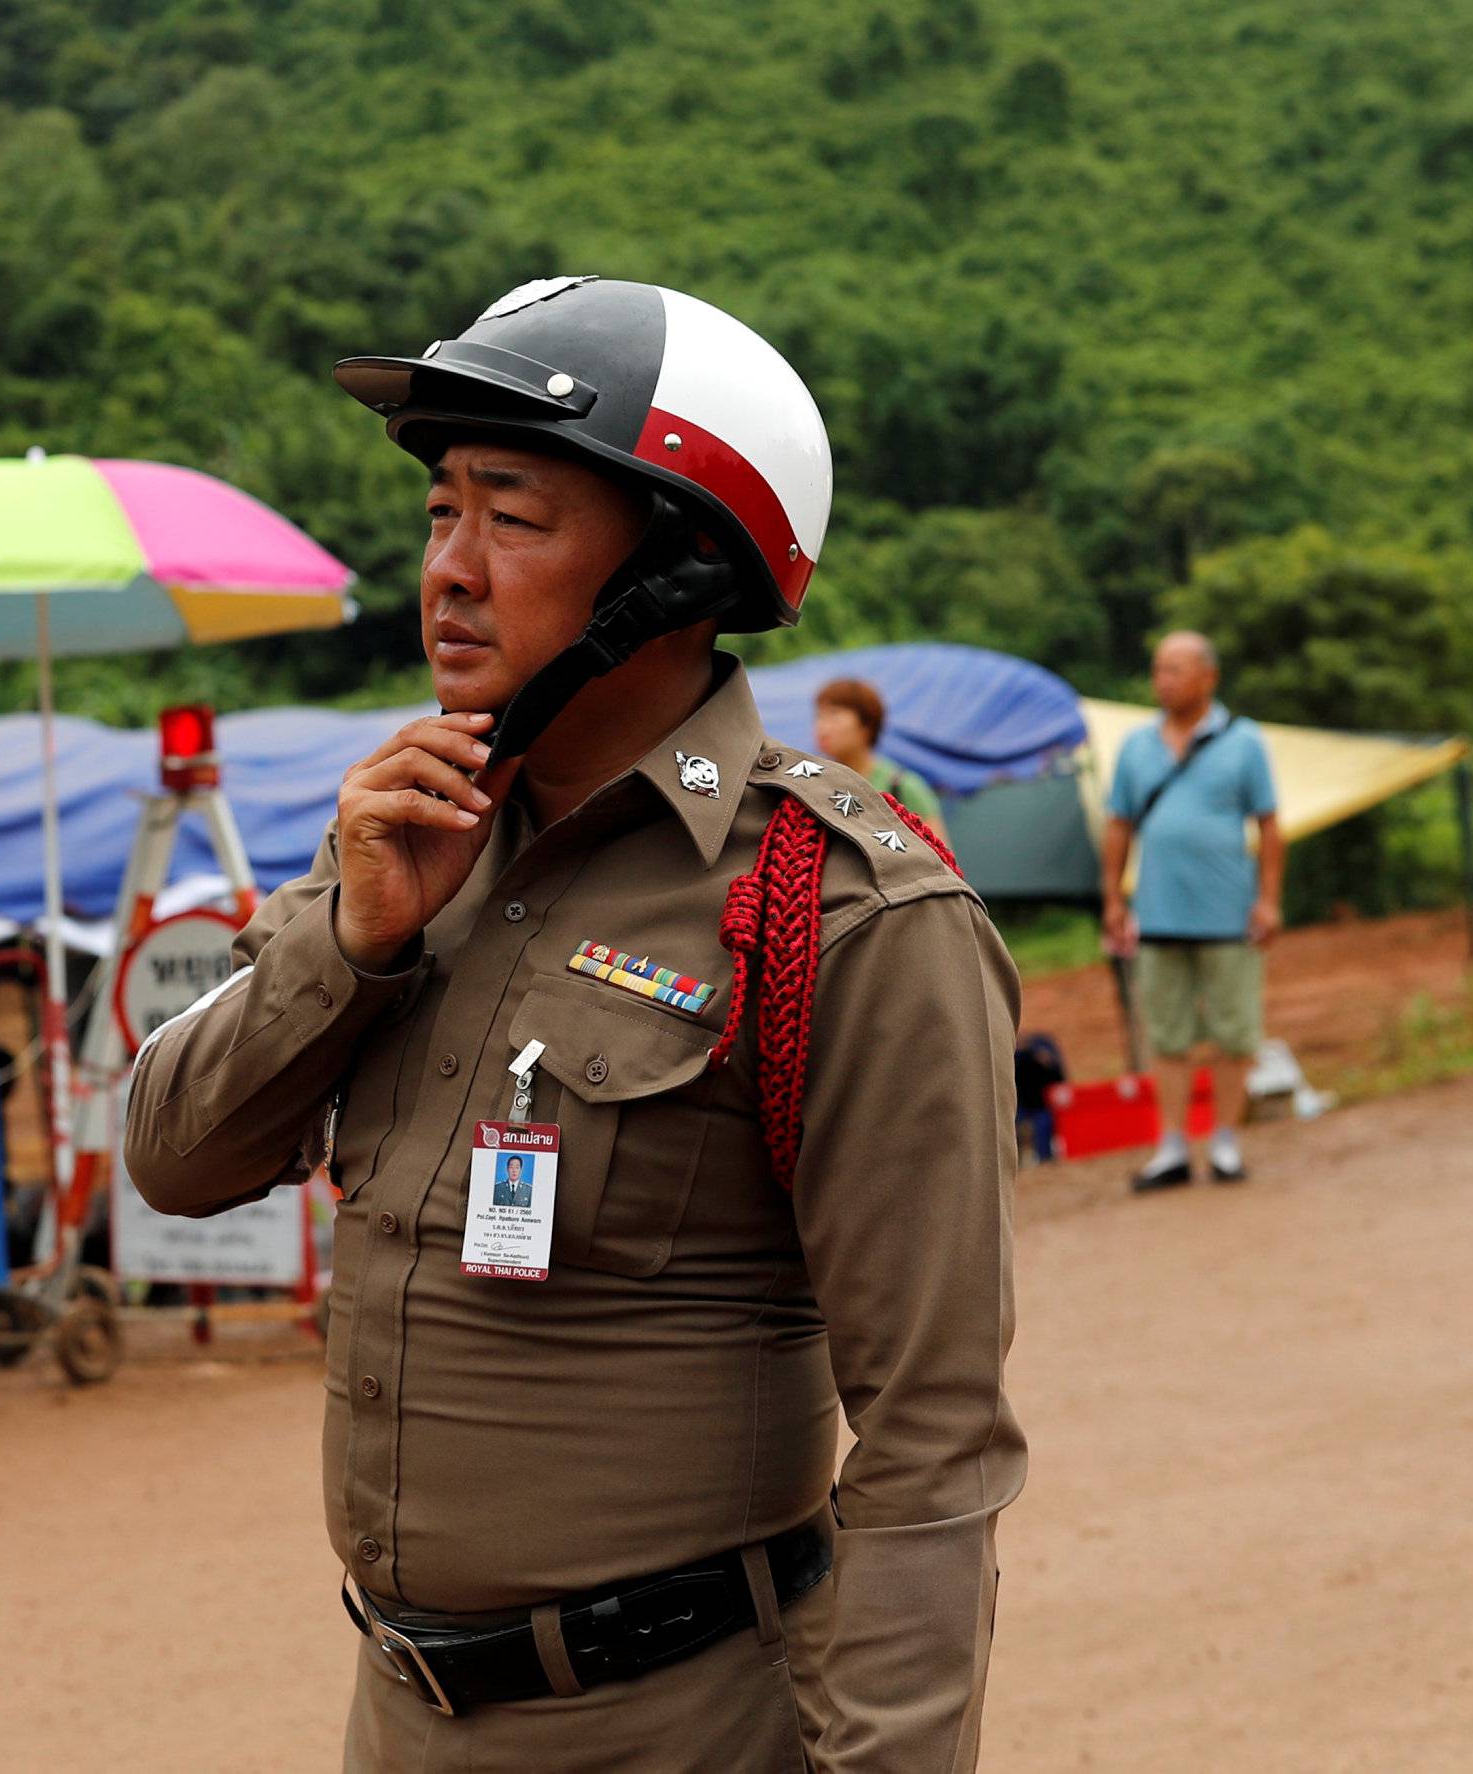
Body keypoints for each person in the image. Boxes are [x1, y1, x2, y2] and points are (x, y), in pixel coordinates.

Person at [127, 276, 1024, 1772]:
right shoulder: (406, 844)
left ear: (671, 572)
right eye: (439, 515)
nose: (450, 571)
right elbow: (175, 1154)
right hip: (401, 1717)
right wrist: (353, 944)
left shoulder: (839, 910)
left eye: (514, 516)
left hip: (688, 1727)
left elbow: (936, 1442)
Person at [1101, 631, 1285, 1191]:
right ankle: (1172, 1146)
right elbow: (1118, 825)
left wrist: (1269, 899)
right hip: (1156, 914)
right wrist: (1113, 897)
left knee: (1234, 1030)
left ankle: (1225, 1140)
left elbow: (1270, 825)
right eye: (1159, 670)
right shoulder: (1136, 746)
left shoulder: (1245, 742)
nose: (1164, 681)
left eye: (1176, 670)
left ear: (1209, 677)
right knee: (1168, 1033)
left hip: (1229, 914)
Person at [812, 677, 949, 846]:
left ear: (866, 724)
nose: (822, 727)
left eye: (834, 714)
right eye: (819, 716)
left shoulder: (903, 787)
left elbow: (942, 864)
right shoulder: (814, 786)